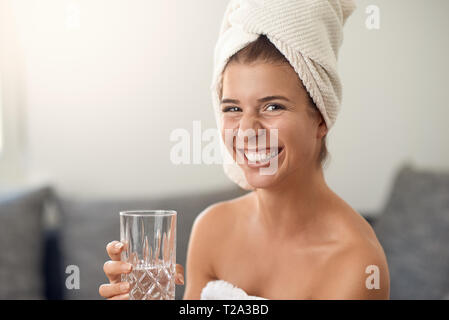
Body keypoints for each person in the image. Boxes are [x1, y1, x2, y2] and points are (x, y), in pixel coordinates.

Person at [99, 0, 390, 300]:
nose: (247, 131)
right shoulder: (212, 229)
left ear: (320, 118)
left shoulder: (357, 263)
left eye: (272, 106)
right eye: (233, 108)